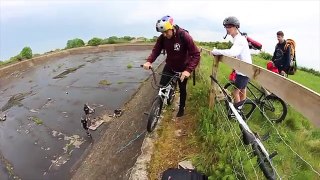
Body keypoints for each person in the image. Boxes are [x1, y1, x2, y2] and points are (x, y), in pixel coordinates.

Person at [143, 15, 200, 117]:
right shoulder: (162, 38)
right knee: (161, 87)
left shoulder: (184, 36)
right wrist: (149, 61)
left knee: (182, 89)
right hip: (170, 65)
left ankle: (181, 108)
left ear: (171, 27)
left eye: (166, 31)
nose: (164, 35)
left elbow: (196, 54)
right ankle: (157, 108)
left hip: (183, 68)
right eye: (162, 32)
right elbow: (156, 51)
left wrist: (188, 70)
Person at [211, 16, 252, 108]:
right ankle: (241, 108)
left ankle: (238, 110)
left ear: (236, 27)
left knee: (236, 92)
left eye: (230, 26)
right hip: (244, 69)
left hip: (243, 71)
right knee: (243, 90)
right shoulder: (238, 39)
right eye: (226, 27)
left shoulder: (240, 39)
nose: (227, 29)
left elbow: (232, 52)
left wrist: (216, 51)